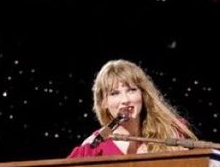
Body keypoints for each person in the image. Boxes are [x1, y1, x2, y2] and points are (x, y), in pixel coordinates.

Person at [68, 59, 197, 158]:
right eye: (114, 93)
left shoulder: (172, 132)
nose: (125, 100)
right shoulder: (93, 147)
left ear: (143, 94)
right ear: (103, 103)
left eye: (131, 90)